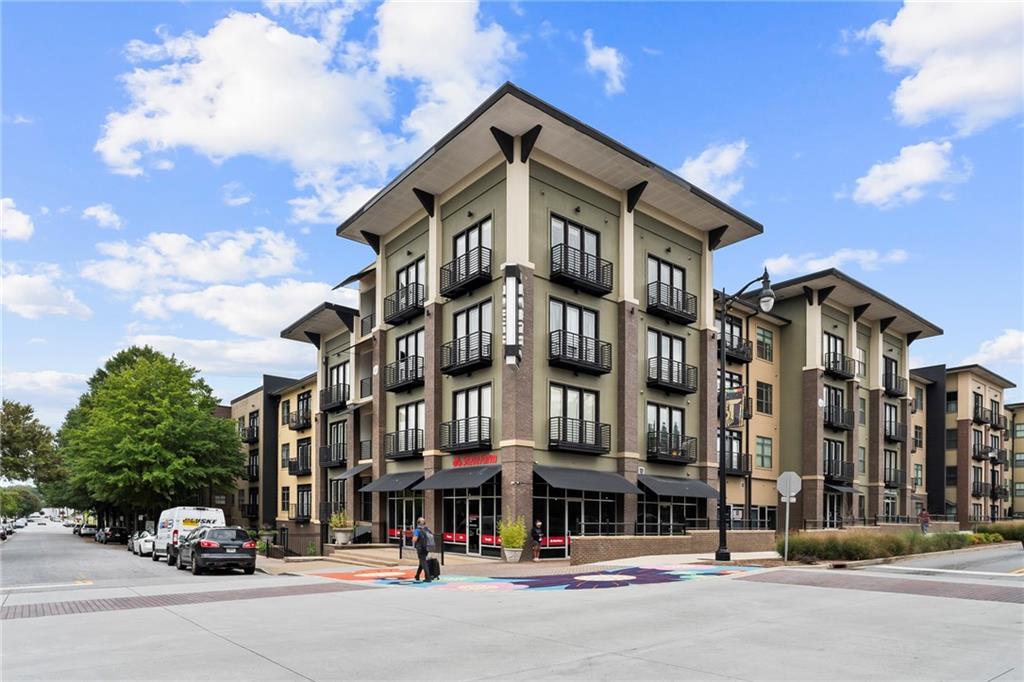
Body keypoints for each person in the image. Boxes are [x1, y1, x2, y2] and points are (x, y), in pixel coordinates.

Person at [411, 517, 433, 582]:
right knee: (422, 561)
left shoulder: (417, 530)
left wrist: (412, 536)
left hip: (420, 548)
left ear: (417, 523)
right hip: (427, 548)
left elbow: (414, 539)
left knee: (424, 562)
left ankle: (428, 578)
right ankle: (417, 575)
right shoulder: (427, 529)